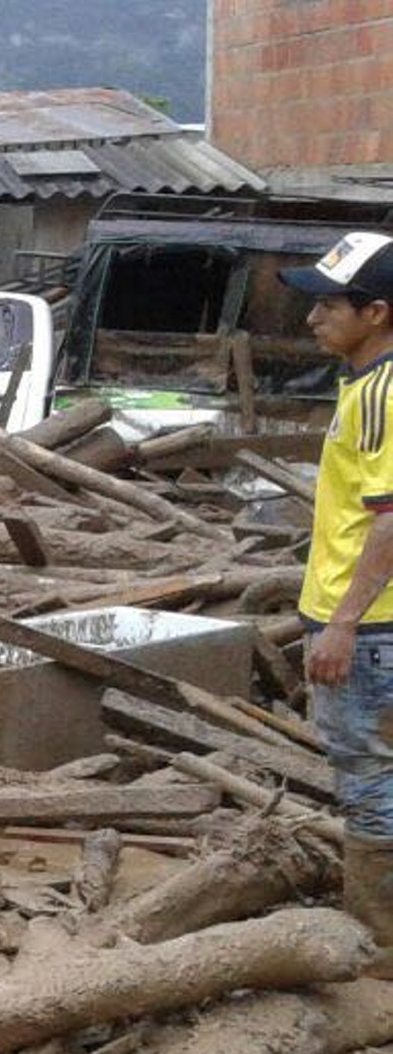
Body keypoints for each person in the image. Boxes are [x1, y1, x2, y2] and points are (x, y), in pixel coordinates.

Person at [283, 231, 393, 951]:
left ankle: (377, 947)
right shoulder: (361, 385)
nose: (310, 319)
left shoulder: (382, 394)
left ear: (376, 312)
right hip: (371, 620)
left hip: (372, 627)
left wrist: (342, 623)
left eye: (327, 305)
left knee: (368, 782)